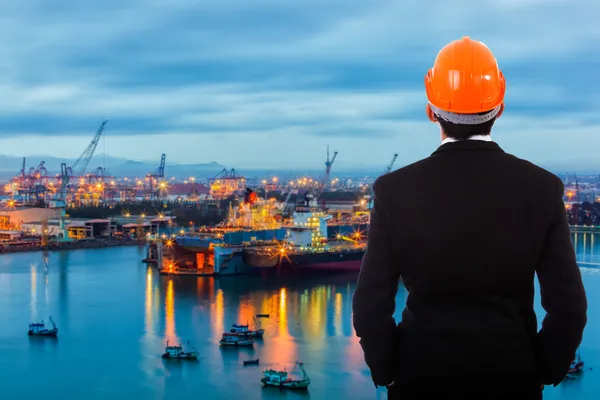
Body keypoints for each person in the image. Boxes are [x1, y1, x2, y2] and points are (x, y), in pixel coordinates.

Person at [352, 36, 587, 399]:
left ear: (432, 109)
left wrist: (389, 371)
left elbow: (370, 304)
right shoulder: (542, 188)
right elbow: (569, 306)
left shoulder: (394, 190)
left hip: (421, 379)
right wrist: (542, 369)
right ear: (500, 107)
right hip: (513, 380)